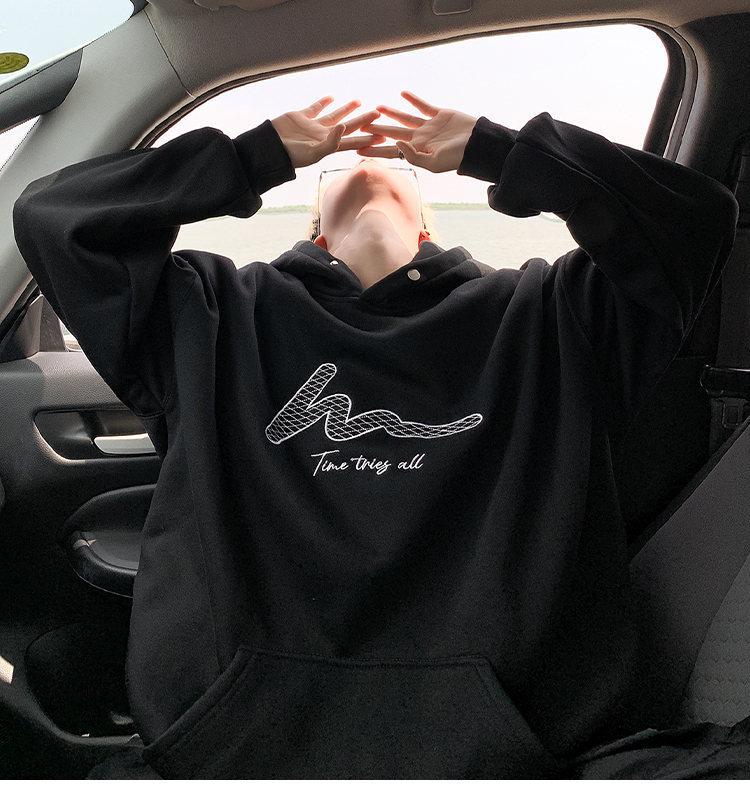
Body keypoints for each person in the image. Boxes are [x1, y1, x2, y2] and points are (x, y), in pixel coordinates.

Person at [13, 90, 750, 779]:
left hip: (517, 755)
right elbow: (58, 218)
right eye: (337, 171)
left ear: (428, 225)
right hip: (233, 748)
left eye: (395, 168)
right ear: (314, 226)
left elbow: (693, 218)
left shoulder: (550, 312)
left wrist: (502, 152)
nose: (368, 160)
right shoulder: (210, 311)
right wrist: (252, 157)